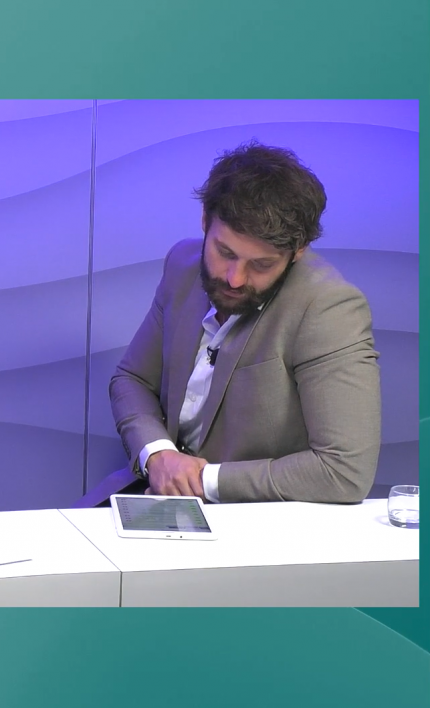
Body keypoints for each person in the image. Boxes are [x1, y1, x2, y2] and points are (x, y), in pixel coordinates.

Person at [110, 141, 380, 504]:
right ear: (205, 220)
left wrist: (200, 480)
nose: (235, 279)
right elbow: (132, 379)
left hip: (256, 519)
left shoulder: (329, 308)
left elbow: (344, 470)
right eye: (225, 252)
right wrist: (158, 455)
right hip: (158, 498)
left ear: (298, 252)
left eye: (262, 264)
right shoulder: (182, 264)